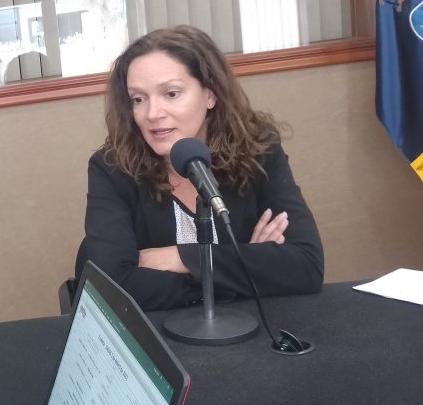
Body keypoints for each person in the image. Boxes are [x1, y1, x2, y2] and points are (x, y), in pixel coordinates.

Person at [76, 25, 324, 312]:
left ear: (210, 94)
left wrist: (180, 258)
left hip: (246, 330)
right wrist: (245, 267)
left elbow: (306, 266)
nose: (153, 114)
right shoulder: (113, 168)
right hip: (159, 334)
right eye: (138, 99)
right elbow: (112, 286)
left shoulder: (259, 151)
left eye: (171, 93)